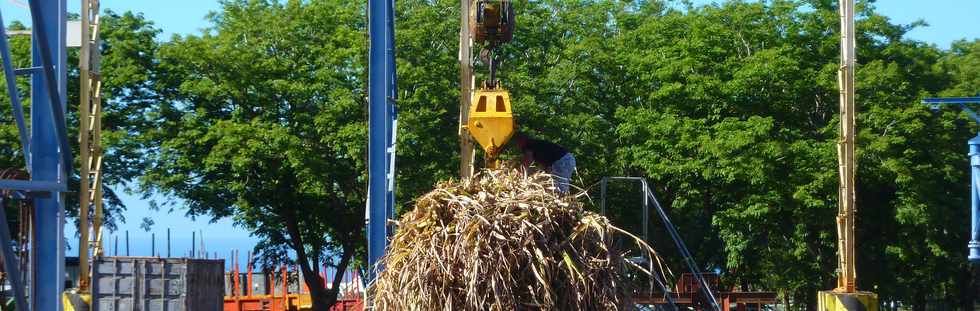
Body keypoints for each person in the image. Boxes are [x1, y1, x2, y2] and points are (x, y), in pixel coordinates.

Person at [512, 132, 576, 193]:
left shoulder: (528, 145)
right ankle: (562, 197)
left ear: (520, 140)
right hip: (567, 159)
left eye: (516, 143)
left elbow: (526, 164)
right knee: (558, 182)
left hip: (562, 160)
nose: (516, 146)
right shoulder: (537, 146)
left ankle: (561, 199)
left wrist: (517, 175)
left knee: (559, 184)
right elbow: (544, 168)